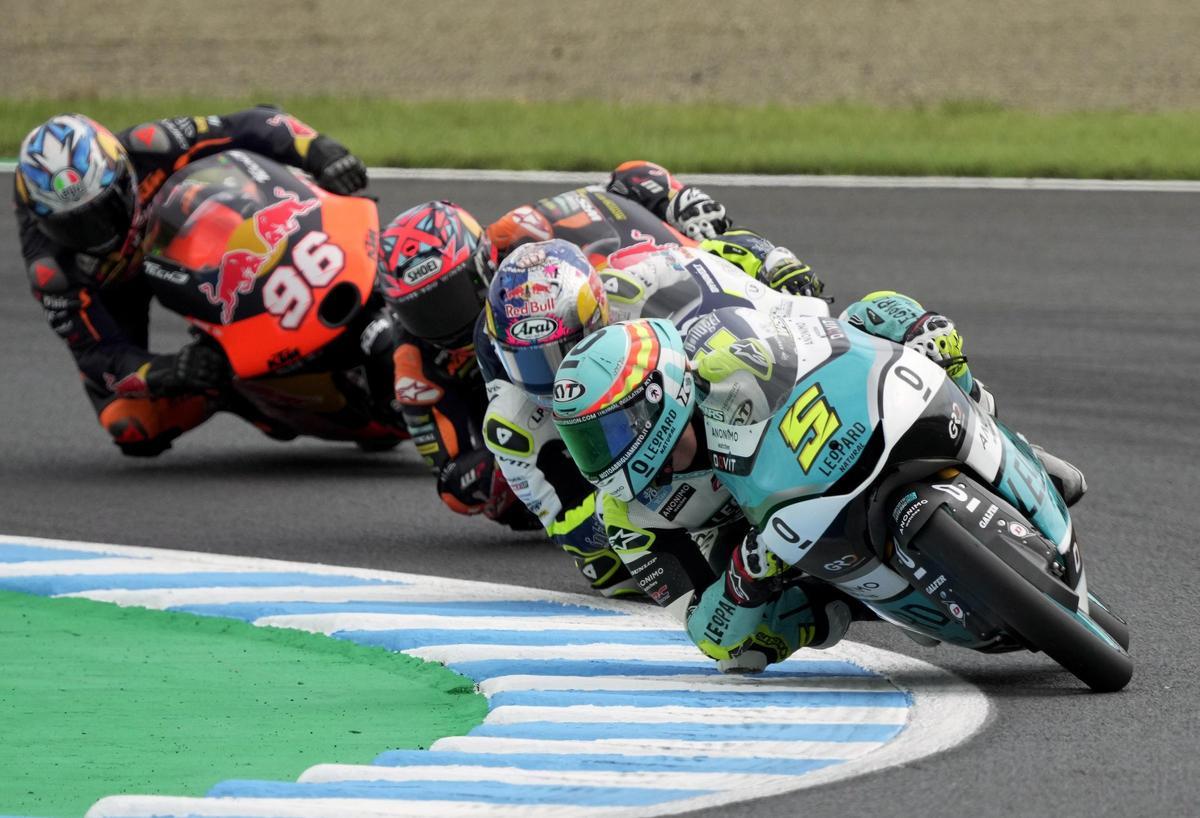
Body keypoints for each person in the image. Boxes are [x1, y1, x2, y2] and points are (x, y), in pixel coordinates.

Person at [551, 305, 1088, 672]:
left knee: (883, 314)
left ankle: (994, 428)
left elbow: (817, 337)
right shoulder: (628, 517)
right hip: (755, 541)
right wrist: (747, 573)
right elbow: (703, 628)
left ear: (658, 394)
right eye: (586, 442)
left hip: (810, 448)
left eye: (609, 431)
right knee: (740, 653)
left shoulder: (724, 357)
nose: (601, 455)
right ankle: (858, 600)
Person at [380, 162, 821, 535]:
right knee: (481, 491)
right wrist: (511, 457)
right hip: (555, 394)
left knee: (737, 266)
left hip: (641, 307)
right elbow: (453, 472)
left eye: (449, 297)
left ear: (479, 263)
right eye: (421, 311)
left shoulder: (524, 234)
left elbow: (628, 179)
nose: (443, 320)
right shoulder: (417, 365)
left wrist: (677, 202)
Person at [477, 237, 830, 597]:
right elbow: (571, 530)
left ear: (597, 314)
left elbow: (707, 253)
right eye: (529, 362)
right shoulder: (511, 420)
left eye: (561, 353)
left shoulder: (633, 280)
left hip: (706, 413)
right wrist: (620, 495)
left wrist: (771, 260)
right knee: (616, 576)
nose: (552, 379)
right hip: (647, 491)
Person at [14, 107, 368, 456]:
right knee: (132, 424)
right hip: (115, 289)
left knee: (241, 198)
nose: (98, 233)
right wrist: (169, 370)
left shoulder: (149, 146)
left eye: (103, 210)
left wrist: (319, 149)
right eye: (74, 226)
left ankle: (345, 251)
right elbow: (96, 353)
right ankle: (239, 390)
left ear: (122, 175)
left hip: (175, 228)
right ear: (44, 221)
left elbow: (251, 123)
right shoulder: (52, 271)